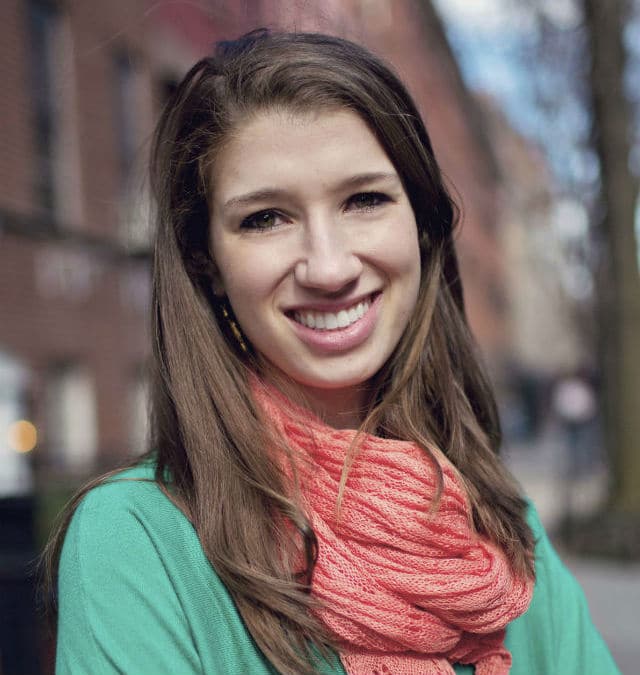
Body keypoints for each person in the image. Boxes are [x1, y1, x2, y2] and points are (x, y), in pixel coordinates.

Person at [47, 30, 620, 675]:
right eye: (265, 217)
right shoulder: (135, 543)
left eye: (364, 199)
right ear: (208, 263)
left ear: (422, 225)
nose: (327, 266)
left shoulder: (497, 521)